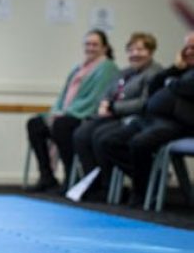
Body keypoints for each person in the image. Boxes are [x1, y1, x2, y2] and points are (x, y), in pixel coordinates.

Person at [95, 33, 194, 206]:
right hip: (151, 118)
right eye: (186, 47)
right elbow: (156, 85)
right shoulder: (182, 68)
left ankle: (140, 192)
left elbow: (184, 88)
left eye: (193, 47)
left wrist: (171, 82)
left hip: (179, 123)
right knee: (109, 141)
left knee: (139, 143)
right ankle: (151, 180)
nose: (189, 51)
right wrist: (175, 70)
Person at [72, 32, 163, 200]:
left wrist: (114, 107)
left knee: (102, 137)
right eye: (131, 50)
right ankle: (94, 184)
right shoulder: (124, 72)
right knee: (81, 134)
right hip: (112, 115)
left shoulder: (155, 73)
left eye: (140, 49)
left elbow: (145, 102)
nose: (135, 53)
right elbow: (107, 93)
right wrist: (104, 104)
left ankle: (110, 187)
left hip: (133, 118)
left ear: (150, 51)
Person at [26, 30, 120, 192]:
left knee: (62, 125)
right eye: (88, 44)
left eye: (95, 44)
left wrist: (66, 113)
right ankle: (46, 175)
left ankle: (71, 177)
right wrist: (56, 111)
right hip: (67, 113)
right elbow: (64, 95)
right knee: (35, 124)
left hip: (85, 116)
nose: (90, 48)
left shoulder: (107, 67)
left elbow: (96, 98)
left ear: (104, 47)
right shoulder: (78, 67)